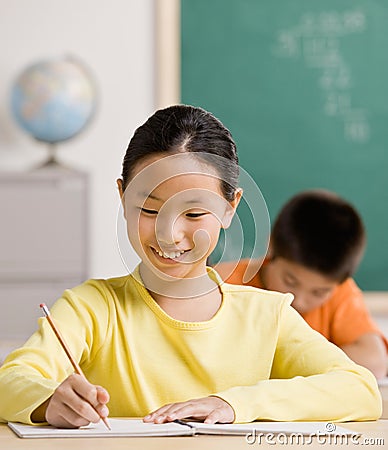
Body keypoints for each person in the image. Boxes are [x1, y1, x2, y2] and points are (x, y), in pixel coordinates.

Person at [0, 105, 382, 429]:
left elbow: (360, 389)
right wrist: (48, 400)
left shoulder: (268, 314)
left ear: (230, 208)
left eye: (195, 213)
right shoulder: (92, 308)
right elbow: (10, 381)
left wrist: (235, 405)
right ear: (122, 196)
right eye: (149, 209)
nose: (170, 234)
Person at [215, 190, 388, 379]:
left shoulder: (340, 292)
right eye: (290, 281)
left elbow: (375, 361)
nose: (299, 301)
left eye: (318, 293)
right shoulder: (222, 283)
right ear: (270, 246)